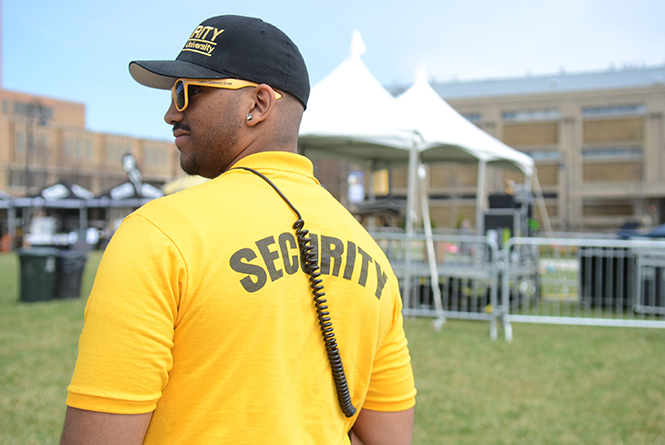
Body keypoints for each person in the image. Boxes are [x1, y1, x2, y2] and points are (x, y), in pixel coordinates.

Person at [61, 15, 416, 445]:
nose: (171, 112)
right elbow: (390, 438)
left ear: (259, 105)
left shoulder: (157, 236)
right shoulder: (371, 254)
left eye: (187, 92)